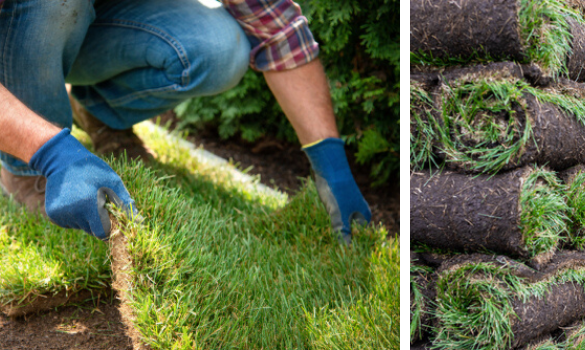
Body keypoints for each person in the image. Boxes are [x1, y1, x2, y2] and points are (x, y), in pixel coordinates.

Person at [0, 0, 371, 243]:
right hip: (25, 25)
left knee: (220, 48)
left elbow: (279, 30)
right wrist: (51, 154)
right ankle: (24, 167)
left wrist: (332, 167)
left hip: (104, 22)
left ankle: (98, 112)